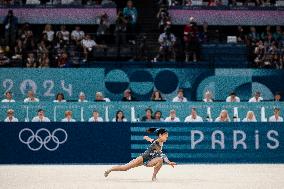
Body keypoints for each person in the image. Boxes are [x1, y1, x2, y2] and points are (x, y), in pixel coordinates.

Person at [104, 128, 176, 181]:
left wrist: (147, 138)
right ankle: (109, 170)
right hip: (143, 158)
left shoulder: (160, 141)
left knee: (160, 160)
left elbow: (151, 140)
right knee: (124, 168)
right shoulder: (156, 143)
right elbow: (161, 154)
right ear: (160, 135)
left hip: (149, 160)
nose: (167, 138)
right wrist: (169, 162)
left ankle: (154, 177)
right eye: (166, 136)